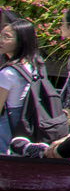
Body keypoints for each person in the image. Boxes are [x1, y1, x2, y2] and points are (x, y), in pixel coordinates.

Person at [0, 18, 46, 148]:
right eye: (1, 35)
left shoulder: (8, 73)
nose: (1, 40)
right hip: (28, 125)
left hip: (8, 128)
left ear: (21, 41)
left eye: (6, 37)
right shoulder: (36, 65)